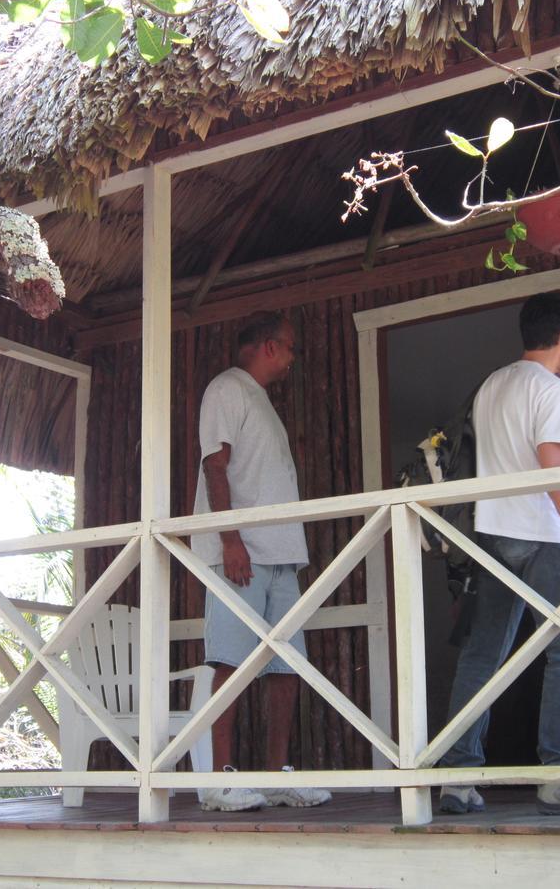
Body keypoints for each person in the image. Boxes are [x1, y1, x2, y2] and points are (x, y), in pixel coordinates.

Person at [438, 293, 560, 817]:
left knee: (484, 655)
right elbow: (553, 470)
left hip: (490, 533)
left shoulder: (492, 385)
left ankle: (457, 776)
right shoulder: (551, 389)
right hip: (540, 536)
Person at [191, 311, 332, 813]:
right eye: (290, 348)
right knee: (229, 660)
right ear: (269, 346)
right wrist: (230, 539)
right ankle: (219, 780)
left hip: (281, 555)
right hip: (241, 553)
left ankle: (275, 774)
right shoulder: (226, 388)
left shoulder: (260, 401)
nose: (292, 359)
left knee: (286, 663)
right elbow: (215, 464)